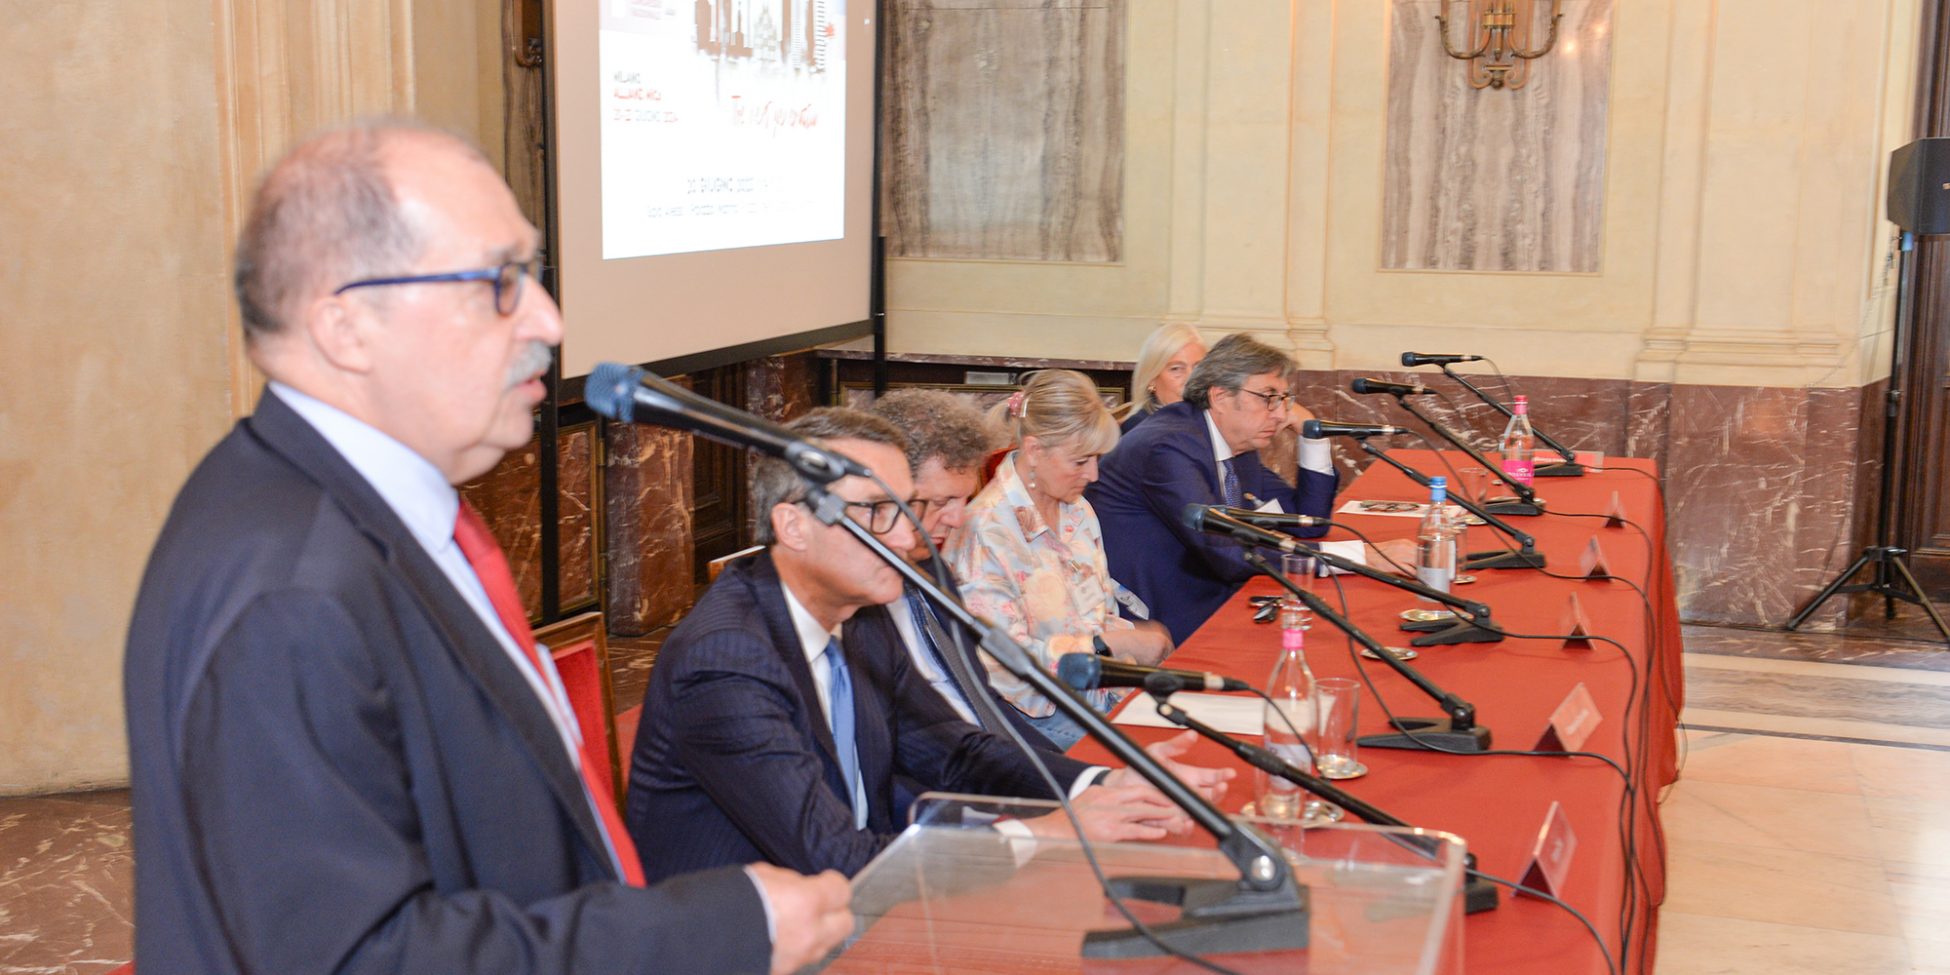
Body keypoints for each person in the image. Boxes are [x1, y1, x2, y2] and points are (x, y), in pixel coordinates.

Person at [122, 122, 851, 975]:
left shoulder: (364, 514)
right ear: (346, 326)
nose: (548, 317)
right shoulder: (290, 590)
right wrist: (717, 930)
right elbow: (357, 958)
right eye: (499, 281)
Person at [624, 408, 1230, 882]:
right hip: (759, 939)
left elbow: (954, 750)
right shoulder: (727, 660)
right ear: (793, 526)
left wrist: (1099, 785)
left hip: (858, 891)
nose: (906, 535)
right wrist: (1049, 833)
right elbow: (834, 858)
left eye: (907, 509)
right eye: (878, 512)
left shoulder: (860, 614)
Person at [947, 371, 1174, 750]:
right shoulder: (986, 530)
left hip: (1098, 695)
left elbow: (1094, 612)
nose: (1094, 474)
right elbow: (1002, 666)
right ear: (1035, 451)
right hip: (1032, 719)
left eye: (1097, 459)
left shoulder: (1077, 510)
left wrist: (1131, 641)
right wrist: (1106, 646)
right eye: (1081, 461)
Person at [1088, 334, 1344, 644]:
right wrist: (1350, 558)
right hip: (1158, 620)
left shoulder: (1237, 444)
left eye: (1283, 398)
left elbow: (1307, 521)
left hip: (1213, 594)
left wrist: (1312, 435)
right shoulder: (1169, 447)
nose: (1281, 414)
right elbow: (1226, 553)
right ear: (1220, 396)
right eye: (1268, 397)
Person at [864, 389, 1053, 751]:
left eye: (964, 499)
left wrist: (1081, 773)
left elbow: (982, 700)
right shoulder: (859, 599)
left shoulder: (934, 569)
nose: (956, 519)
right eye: (942, 501)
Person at [1119, 323, 1207, 433]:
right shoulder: (1139, 428)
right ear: (1152, 379)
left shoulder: (1212, 420)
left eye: (1198, 367)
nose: (1191, 378)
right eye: (1176, 369)